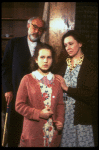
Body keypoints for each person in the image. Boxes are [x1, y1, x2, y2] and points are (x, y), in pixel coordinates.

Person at [2, 16, 46, 147]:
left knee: (32, 131)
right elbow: (5, 67)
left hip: (36, 97)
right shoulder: (14, 43)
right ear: (28, 26)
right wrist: (7, 89)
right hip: (15, 93)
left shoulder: (44, 47)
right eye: (34, 27)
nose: (36, 31)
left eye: (40, 29)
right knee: (15, 130)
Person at [15, 43, 65, 147]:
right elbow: (19, 106)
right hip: (33, 133)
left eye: (49, 57)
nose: (46, 61)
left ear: (52, 60)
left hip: (52, 134)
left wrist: (60, 120)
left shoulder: (57, 80)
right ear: (36, 60)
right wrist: (38, 113)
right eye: (42, 57)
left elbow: (60, 104)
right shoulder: (27, 79)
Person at [55, 30, 97, 147]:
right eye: (65, 45)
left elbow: (89, 94)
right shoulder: (63, 64)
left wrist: (67, 88)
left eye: (71, 43)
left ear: (80, 43)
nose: (68, 47)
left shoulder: (89, 67)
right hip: (64, 117)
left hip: (80, 117)